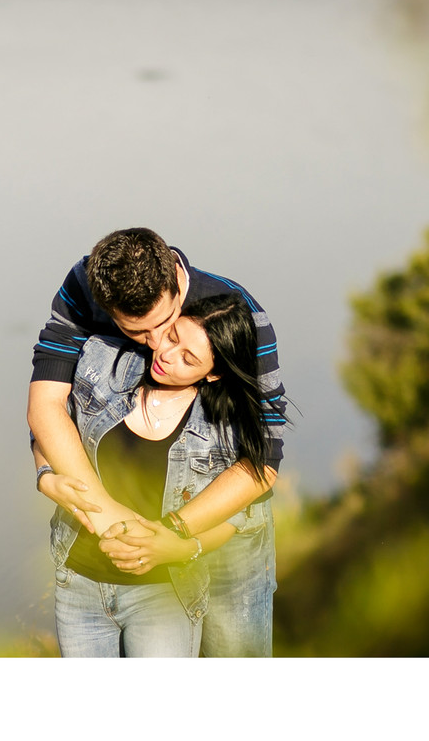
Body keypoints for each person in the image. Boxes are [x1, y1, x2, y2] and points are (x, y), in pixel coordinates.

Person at [29, 227, 287, 656]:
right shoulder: (85, 286)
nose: (156, 348)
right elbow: (48, 406)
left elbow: (264, 460)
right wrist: (101, 510)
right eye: (136, 332)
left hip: (226, 524)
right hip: (116, 545)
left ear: (174, 281)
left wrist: (173, 533)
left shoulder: (241, 313)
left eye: (164, 325)